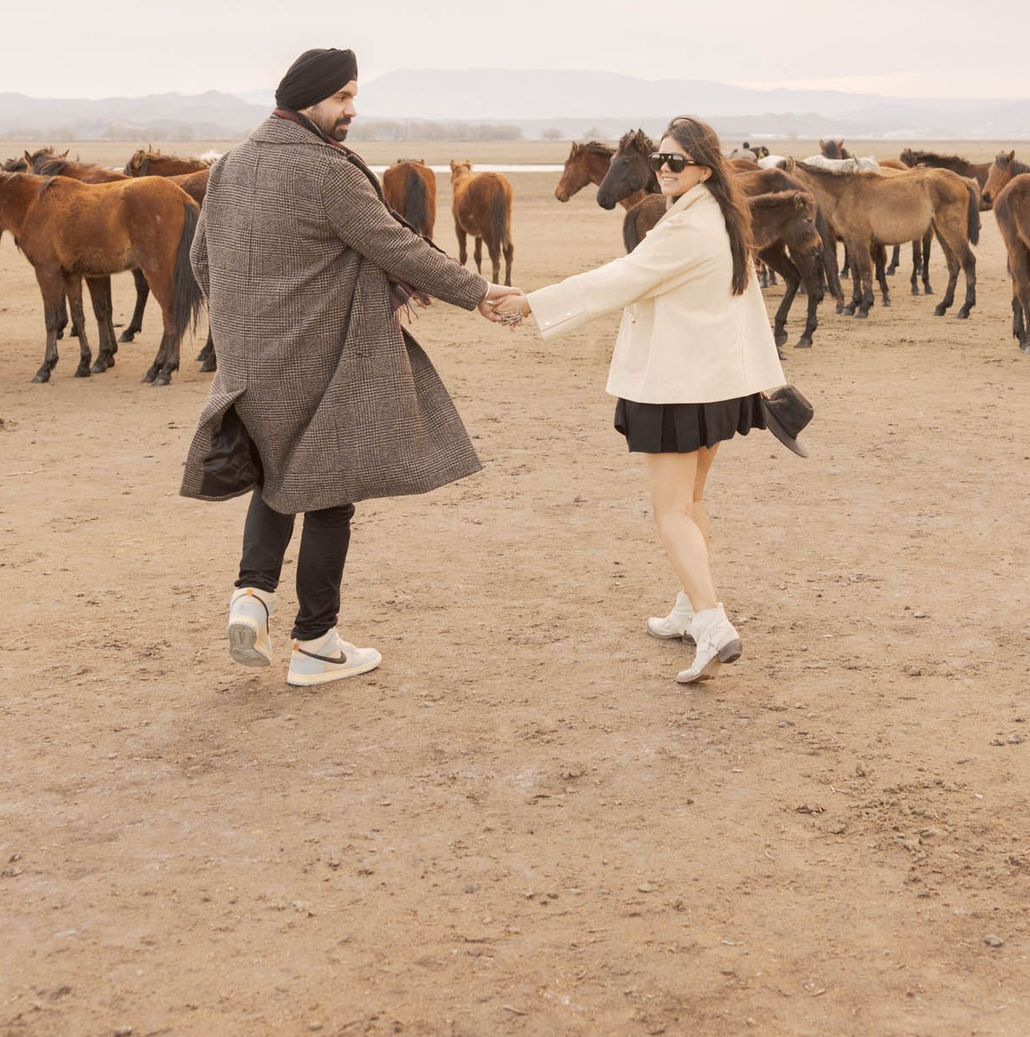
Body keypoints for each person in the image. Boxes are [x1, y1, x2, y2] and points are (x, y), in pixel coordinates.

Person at [182, 47, 523, 686]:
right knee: (331, 490)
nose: (351, 109)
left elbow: (204, 260)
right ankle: (315, 646)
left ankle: (252, 598)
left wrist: (248, 324)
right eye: (341, 97)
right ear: (309, 98)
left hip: (250, 360)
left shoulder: (229, 167)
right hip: (322, 354)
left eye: (353, 96)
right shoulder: (325, 170)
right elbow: (396, 246)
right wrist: (478, 292)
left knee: (279, 476)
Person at [497, 115, 786, 684]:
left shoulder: (687, 228)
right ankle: (688, 606)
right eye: (661, 159)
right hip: (714, 386)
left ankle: (711, 622)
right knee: (693, 501)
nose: (665, 169)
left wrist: (533, 303)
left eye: (676, 161)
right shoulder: (722, 217)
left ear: (704, 166)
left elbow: (619, 279)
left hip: (678, 386)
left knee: (671, 510)